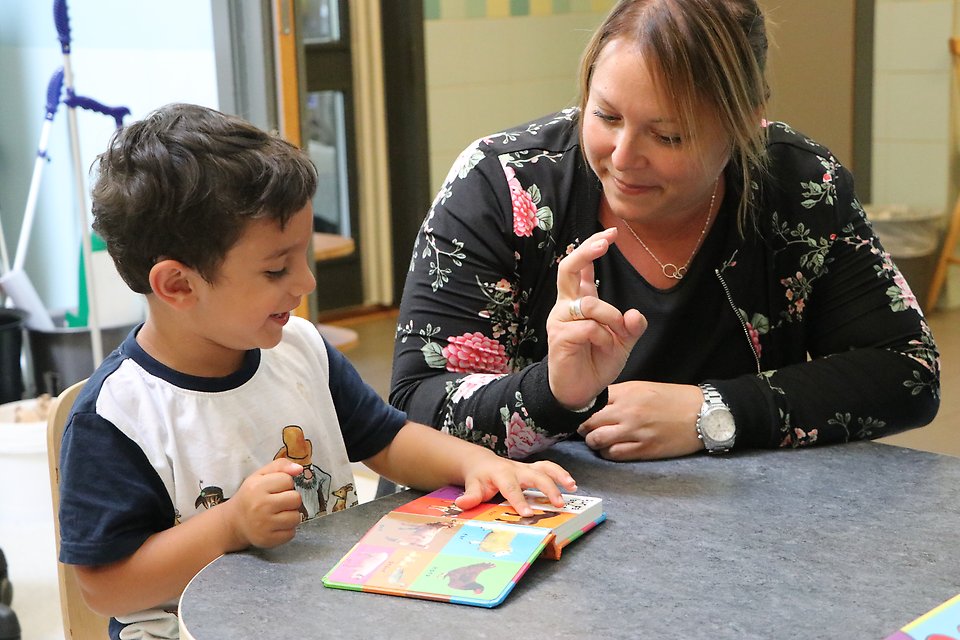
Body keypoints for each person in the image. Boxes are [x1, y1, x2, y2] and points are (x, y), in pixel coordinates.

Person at [56, 103, 577, 640]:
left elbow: (387, 438)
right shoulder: (116, 416)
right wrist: (231, 525)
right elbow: (105, 588)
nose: (304, 281)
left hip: (321, 612)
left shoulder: (300, 349)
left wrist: (475, 463)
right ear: (178, 286)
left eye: (303, 255)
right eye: (276, 268)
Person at [390, 0, 941, 463]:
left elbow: (906, 373)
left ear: (748, 123)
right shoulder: (502, 184)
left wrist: (714, 412)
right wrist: (554, 391)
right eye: (605, 116)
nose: (624, 158)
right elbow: (413, 407)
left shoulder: (799, 187)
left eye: (669, 136)